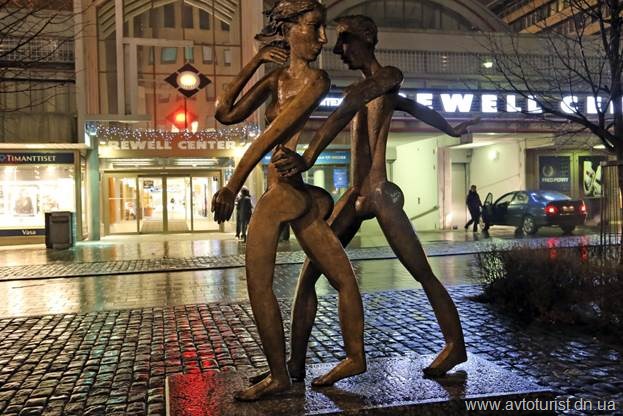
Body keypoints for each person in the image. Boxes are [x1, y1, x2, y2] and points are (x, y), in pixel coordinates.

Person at [271, 15, 478, 380]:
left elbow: (347, 109)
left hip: (381, 193)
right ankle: (295, 365)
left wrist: (308, 158)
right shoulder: (372, 88)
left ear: (367, 39)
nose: (339, 50)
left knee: (422, 272)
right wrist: (449, 127)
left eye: (345, 40)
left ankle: (455, 345)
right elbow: (416, 108)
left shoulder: (387, 76)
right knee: (309, 274)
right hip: (356, 194)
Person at [211, 1, 391, 401]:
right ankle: (302, 366)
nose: (323, 38)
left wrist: (233, 184)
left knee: (260, 284)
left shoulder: (317, 80)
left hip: (284, 195)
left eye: (323, 28)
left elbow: (272, 134)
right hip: (293, 193)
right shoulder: (275, 79)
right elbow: (224, 112)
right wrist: (257, 60)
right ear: (288, 30)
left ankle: (284, 375)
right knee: (341, 277)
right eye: (314, 27)